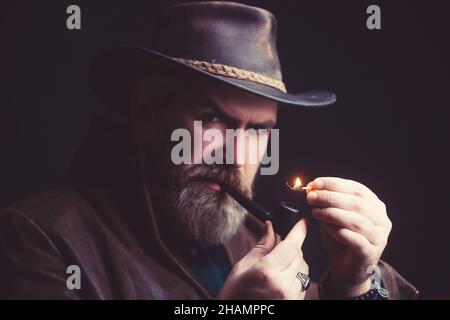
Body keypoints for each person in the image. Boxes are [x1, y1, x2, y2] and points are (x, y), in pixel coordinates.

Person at [0, 2, 418, 299]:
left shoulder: (259, 239)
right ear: (148, 114)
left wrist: (355, 285)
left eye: (258, 131)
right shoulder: (41, 240)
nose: (236, 154)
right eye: (214, 119)